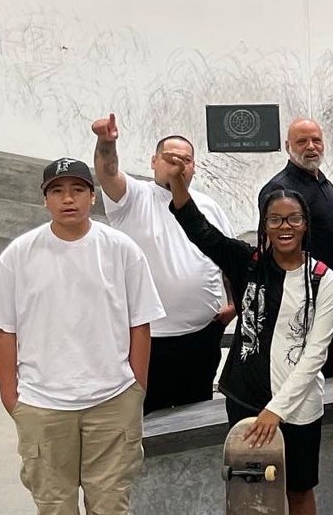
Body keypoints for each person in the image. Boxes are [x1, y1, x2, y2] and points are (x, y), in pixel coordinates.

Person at [167, 162, 333, 515]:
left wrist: (276, 411)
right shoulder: (247, 262)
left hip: (295, 409)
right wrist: (179, 185)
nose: (285, 227)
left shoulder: (323, 278)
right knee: (248, 495)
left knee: (299, 492)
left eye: (293, 219)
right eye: (275, 219)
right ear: (264, 224)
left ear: (305, 224)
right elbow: (201, 232)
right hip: (244, 400)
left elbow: (315, 354)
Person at [0, 158, 164, 515]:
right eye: (57, 190)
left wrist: (135, 385)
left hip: (111, 395)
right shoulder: (18, 255)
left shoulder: (121, 250)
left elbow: (140, 322)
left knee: (110, 493)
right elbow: (5, 330)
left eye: (77, 189)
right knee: (52, 499)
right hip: (42, 400)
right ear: (45, 199)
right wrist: (12, 397)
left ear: (93, 196)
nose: (68, 199)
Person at [90, 113, 235, 412]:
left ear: (194, 167)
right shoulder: (132, 198)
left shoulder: (209, 206)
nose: (179, 164)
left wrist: (234, 305)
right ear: (154, 162)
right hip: (149, 339)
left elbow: (229, 259)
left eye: (186, 160)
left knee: (196, 415)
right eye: (170, 158)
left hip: (202, 336)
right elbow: (108, 172)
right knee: (146, 415)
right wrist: (106, 142)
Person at [260, 118, 333, 277]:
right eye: (302, 141)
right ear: (287, 146)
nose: (311, 146)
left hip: (331, 281)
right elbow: (270, 246)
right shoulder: (279, 189)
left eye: (316, 140)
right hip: (298, 282)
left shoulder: (327, 185)